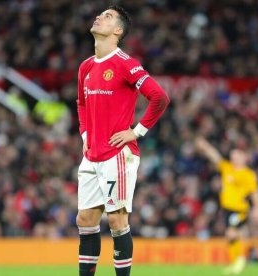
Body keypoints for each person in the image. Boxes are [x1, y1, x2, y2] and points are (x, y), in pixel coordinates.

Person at [76, 5, 170, 276]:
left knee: (116, 219)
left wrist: (136, 131)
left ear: (118, 30)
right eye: (100, 14)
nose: (98, 17)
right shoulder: (86, 66)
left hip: (117, 154)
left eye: (106, 16)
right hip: (92, 153)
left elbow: (160, 98)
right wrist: (85, 134)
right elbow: (81, 104)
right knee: (85, 219)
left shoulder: (126, 64)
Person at [195, 137, 258, 275]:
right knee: (230, 236)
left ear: (244, 157)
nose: (234, 157)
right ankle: (236, 262)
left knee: (231, 233)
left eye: (237, 154)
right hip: (227, 209)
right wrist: (205, 146)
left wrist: (257, 208)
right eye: (233, 155)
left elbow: (255, 193)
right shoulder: (227, 168)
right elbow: (215, 157)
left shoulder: (248, 174)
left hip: (239, 209)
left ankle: (241, 260)